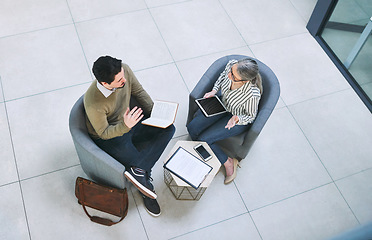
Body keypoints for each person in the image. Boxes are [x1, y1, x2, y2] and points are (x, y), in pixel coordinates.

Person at [84, 56, 175, 217]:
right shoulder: (93, 102)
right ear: (105, 84)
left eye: (123, 75)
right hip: (111, 136)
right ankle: (146, 188)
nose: (124, 80)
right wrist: (125, 126)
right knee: (135, 158)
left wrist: (156, 115)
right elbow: (103, 133)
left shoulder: (123, 70)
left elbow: (138, 91)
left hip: (130, 121)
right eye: (119, 80)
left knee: (169, 128)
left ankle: (140, 171)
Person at [187, 58, 262, 184]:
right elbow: (222, 76)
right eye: (231, 71)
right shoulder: (232, 65)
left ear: (245, 81)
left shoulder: (252, 94)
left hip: (236, 119)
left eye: (233, 76)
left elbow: (250, 116)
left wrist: (237, 118)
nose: (229, 75)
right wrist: (214, 90)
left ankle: (229, 162)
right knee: (192, 128)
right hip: (221, 105)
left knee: (204, 139)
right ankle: (201, 148)